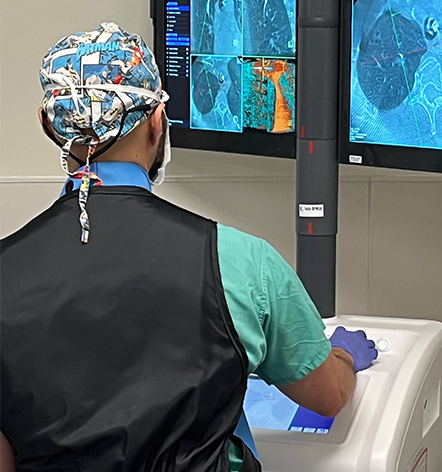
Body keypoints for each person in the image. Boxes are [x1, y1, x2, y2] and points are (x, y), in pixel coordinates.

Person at [0, 23, 378, 472]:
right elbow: (328, 396)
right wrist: (341, 358)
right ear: (158, 123)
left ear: (49, 125)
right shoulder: (239, 261)